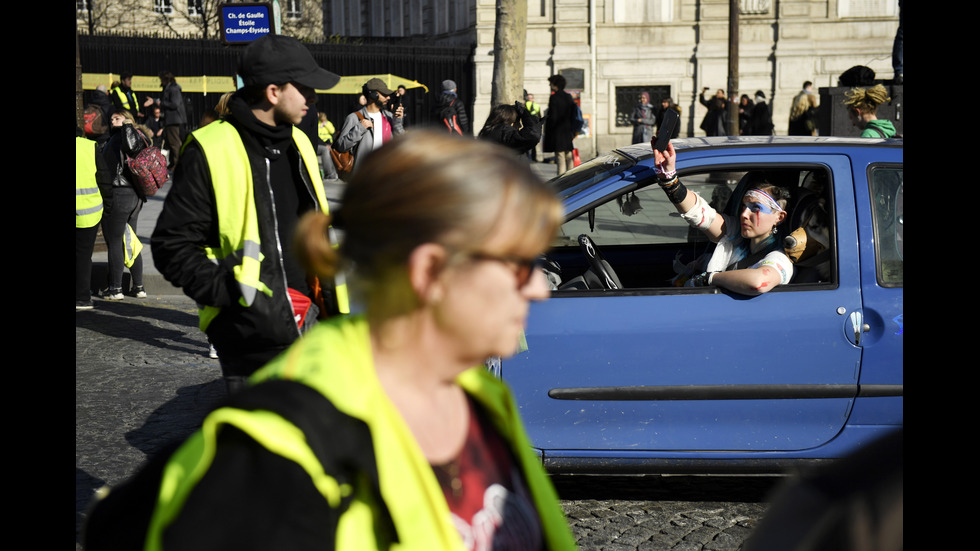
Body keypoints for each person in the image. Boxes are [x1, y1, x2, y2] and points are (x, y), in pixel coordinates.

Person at [83, 132, 578, 551]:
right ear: (431, 272)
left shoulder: (480, 396)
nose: (539, 288)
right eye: (519, 265)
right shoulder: (283, 449)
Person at [151, 34, 345, 393]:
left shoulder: (300, 143)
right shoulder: (211, 147)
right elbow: (171, 245)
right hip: (252, 334)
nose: (313, 98)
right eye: (305, 88)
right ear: (273, 92)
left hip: (313, 318)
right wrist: (233, 298)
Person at [652, 141, 793, 295]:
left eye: (756, 208)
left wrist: (711, 278)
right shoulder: (737, 234)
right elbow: (701, 213)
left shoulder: (780, 258)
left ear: (779, 217)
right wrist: (670, 180)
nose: (744, 214)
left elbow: (758, 283)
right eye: (744, 206)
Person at [99, 110, 148, 301]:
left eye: (117, 118)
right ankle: (138, 286)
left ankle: (116, 288)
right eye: (111, 118)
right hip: (133, 196)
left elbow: (130, 148)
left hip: (120, 195)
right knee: (131, 241)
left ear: (128, 119)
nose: (112, 121)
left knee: (116, 242)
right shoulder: (133, 136)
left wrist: (127, 126)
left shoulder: (127, 136)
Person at [334, 78, 406, 174]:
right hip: (364, 176)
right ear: (373, 95)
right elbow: (341, 146)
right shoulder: (354, 118)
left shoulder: (389, 117)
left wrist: (397, 120)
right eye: (384, 94)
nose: (388, 98)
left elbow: (401, 140)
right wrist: (359, 129)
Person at [76, 128, 109, 310]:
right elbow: (103, 177)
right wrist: (109, 204)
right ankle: (81, 298)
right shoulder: (90, 147)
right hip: (88, 212)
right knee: (83, 255)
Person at [542, 74, 577, 175]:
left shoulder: (554, 97)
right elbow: (573, 114)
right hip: (567, 130)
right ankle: (572, 177)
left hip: (557, 131)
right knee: (569, 155)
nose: (550, 85)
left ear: (555, 84)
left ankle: (562, 181)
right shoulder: (568, 96)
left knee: (560, 157)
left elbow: (552, 116)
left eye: (551, 83)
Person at [157, 71, 186, 169]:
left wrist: (162, 103)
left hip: (174, 119)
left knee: (174, 142)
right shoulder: (171, 88)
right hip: (172, 119)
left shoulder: (173, 89)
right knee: (172, 142)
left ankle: (177, 163)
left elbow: (174, 103)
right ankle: (173, 163)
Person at [317, 111, 339, 180]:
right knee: (326, 152)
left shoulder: (328, 123)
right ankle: (330, 173)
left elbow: (332, 131)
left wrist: (326, 125)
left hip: (329, 142)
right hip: (322, 143)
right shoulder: (318, 124)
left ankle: (334, 171)